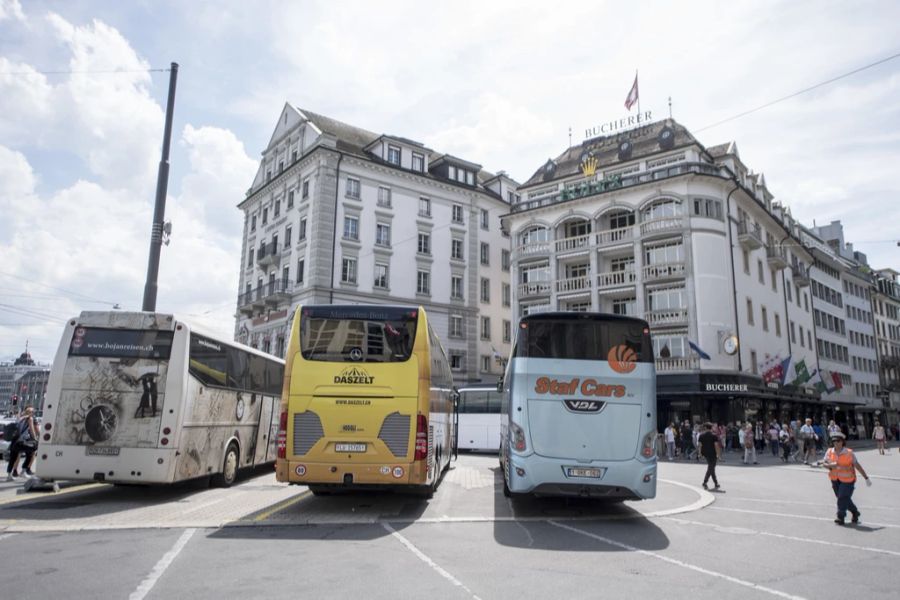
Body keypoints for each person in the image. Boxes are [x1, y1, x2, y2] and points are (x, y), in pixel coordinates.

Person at [822, 431, 871, 525]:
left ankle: (840, 516)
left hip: (848, 480)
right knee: (843, 498)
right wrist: (831, 465)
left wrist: (866, 477)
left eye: (838, 441)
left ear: (842, 442)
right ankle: (855, 512)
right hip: (835, 479)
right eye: (834, 441)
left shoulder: (849, 453)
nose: (835, 443)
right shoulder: (829, 451)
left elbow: (857, 465)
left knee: (842, 497)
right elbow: (824, 463)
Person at [6, 406, 38, 481]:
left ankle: (9, 475)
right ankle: (23, 471)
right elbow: (32, 430)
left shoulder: (20, 417)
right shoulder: (30, 418)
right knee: (31, 454)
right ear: (30, 413)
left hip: (15, 440)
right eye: (33, 412)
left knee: (13, 457)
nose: (33, 413)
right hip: (22, 441)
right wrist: (35, 439)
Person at [698, 422, 721, 490]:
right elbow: (716, 446)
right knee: (711, 468)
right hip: (713, 454)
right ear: (711, 428)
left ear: (705, 428)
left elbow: (700, 445)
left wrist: (699, 454)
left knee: (711, 468)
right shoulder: (714, 436)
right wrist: (718, 455)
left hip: (705, 454)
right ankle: (705, 482)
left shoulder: (701, 435)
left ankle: (716, 483)